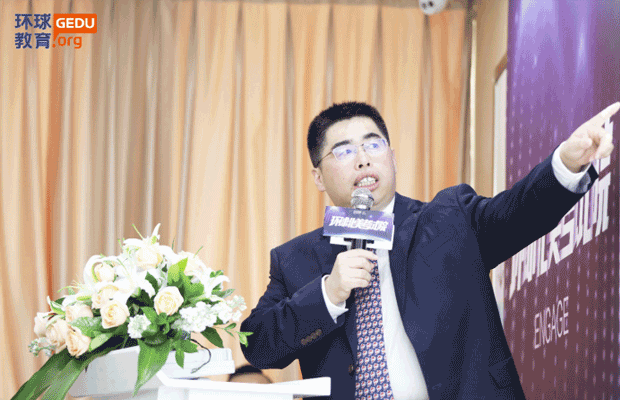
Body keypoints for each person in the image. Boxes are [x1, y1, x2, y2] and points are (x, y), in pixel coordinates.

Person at [241, 101, 618, 400]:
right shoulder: (295, 259)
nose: (363, 158)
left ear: (392, 157)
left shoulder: (449, 218)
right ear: (318, 177)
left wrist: (566, 163)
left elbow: (517, 212)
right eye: (344, 151)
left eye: (373, 144)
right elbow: (257, 345)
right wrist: (328, 293)